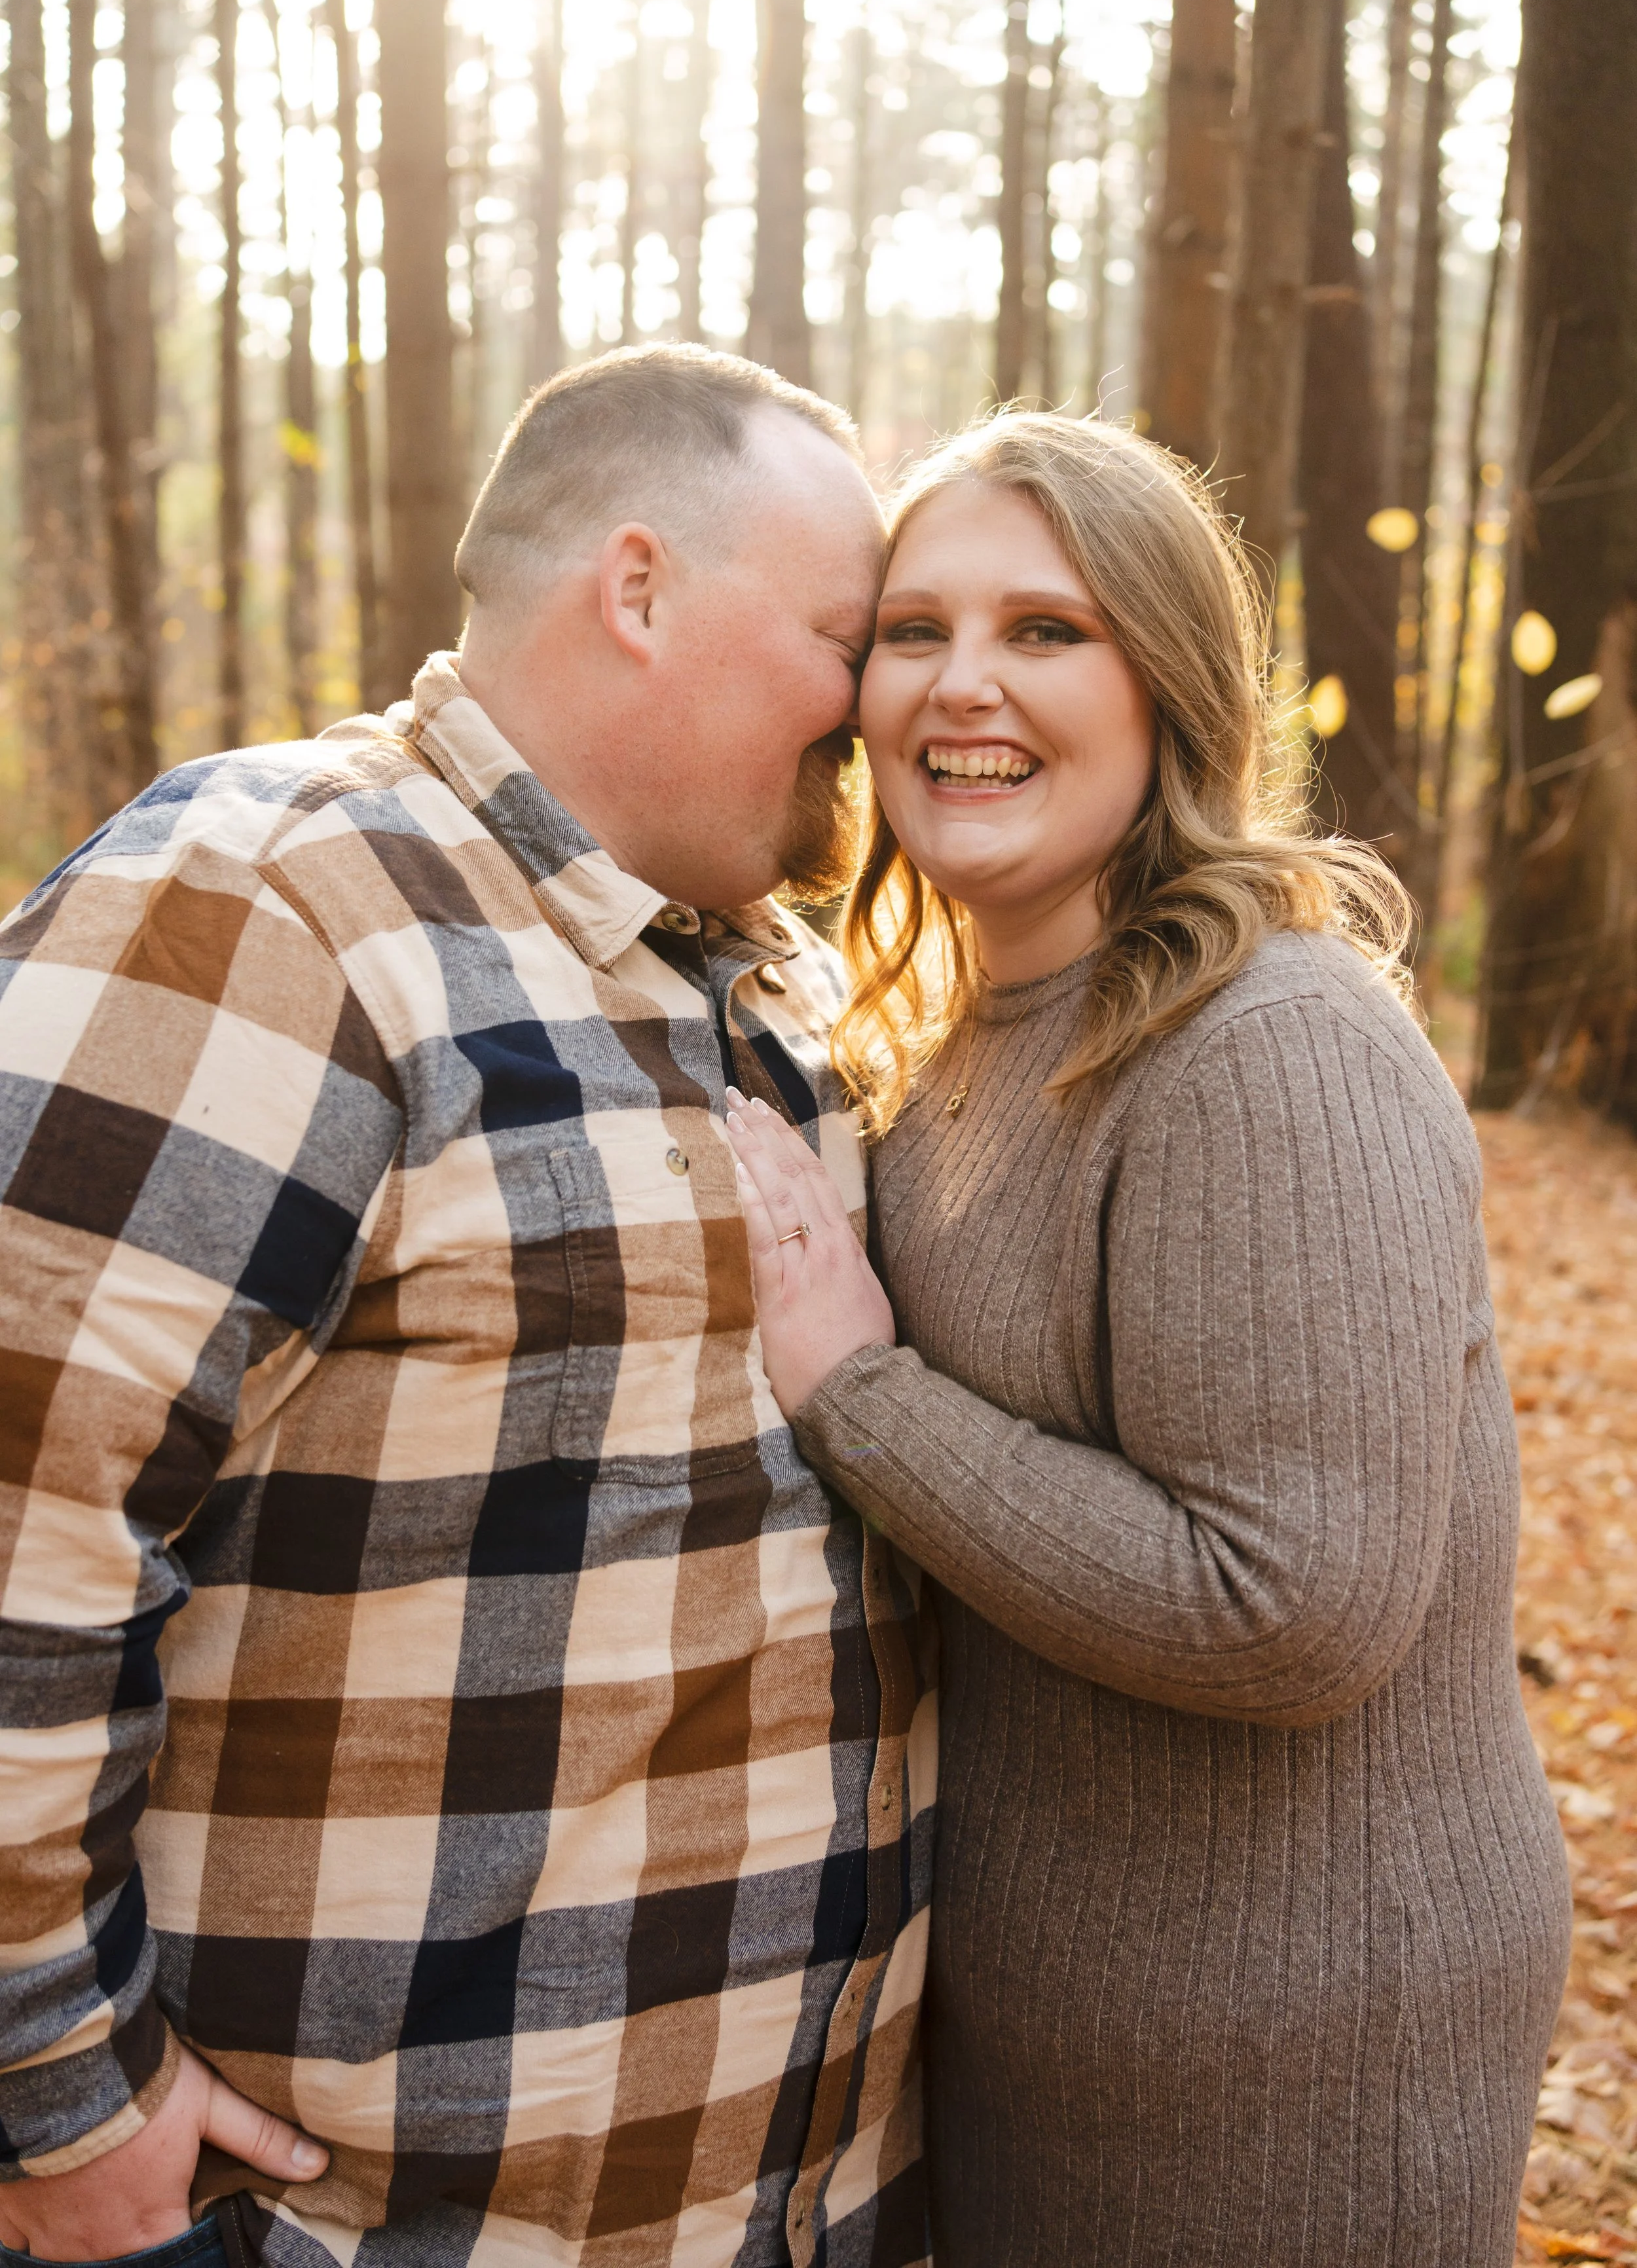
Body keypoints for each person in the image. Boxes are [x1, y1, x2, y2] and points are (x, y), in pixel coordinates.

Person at [0, 344, 935, 2268]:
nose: (879, 704)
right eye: (850, 634)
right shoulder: (269, 908)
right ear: (640, 583)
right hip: (358, 2220)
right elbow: (21, 1533)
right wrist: (57, 2099)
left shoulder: (774, 988)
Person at [727, 410, 1573, 2268]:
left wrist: (855, 1395)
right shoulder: (976, 1040)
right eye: (914, 628)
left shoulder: (1264, 1047)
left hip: (1287, 2048)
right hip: (1049, 2019)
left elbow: (1293, 1607)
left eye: (1047, 629)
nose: (965, 685)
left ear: (1169, 682)